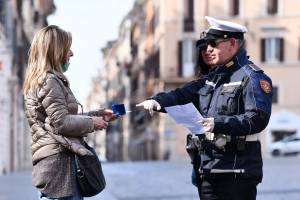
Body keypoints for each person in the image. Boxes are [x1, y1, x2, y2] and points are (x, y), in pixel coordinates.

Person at [137, 16, 272, 200]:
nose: (207, 49)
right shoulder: (212, 78)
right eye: (205, 44)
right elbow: (180, 95)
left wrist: (218, 124)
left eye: (213, 44)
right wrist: (156, 101)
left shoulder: (252, 77)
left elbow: (257, 118)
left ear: (232, 43)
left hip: (236, 173)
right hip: (208, 170)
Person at [23, 25, 117, 200]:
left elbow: (59, 119)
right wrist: (91, 123)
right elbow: (61, 123)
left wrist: (97, 116)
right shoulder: (48, 81)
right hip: (60, 169)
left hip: (56, 168)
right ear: (55, 51)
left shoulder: (45, 80)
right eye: (67, 49)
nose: (71, 54)